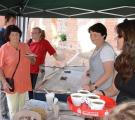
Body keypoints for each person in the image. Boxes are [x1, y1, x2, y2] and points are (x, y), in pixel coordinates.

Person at [95, 19, 135, 104]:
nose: (115, 38)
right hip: (119, 112)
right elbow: (114, 89)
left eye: (119, 36)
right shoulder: (120, 61)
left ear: (131, 39)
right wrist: (101, 93)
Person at [0, 25, 35, 119]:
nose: (15, 36)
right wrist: (4, 83)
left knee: (22, 109)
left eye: (17, 34)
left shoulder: (25, 46)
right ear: (8, 36)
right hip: (11, 84)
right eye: (13, 34)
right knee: (13, 111)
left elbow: (33, 62)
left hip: (24, 82)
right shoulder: (4, 49)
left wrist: (31, 58)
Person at [27, 27, 63, 99]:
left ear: (40, 34)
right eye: (32, 33)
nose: (32, 34)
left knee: (36, 90)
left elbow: (55, 55)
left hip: (39, 71)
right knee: (29, 90)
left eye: (34, 33)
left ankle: (36, 104)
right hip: (28, 70)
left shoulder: (45, 43)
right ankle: (31, 104)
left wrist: (63, 60)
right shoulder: (29, 42)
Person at [83, 23, 116, 92]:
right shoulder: (98, 47)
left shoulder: (106, 49)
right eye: (91, 35)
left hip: (103, 89)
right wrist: (91, 71)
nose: (92, 37)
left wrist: (92, 87)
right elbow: (99, 64)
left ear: (103, 35)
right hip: (97, 87)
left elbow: (108, 73)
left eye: (95, 35)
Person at [0, 13, 16, 120]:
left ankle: (10, 111)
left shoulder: (13, 33)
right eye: (12, 21)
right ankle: (4, 113)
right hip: (2, 66)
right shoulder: (1, 33)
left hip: (11, 67)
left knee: (10, 90)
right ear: (6, 21)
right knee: (3, 90)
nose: (14, 23)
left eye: (15, 21)